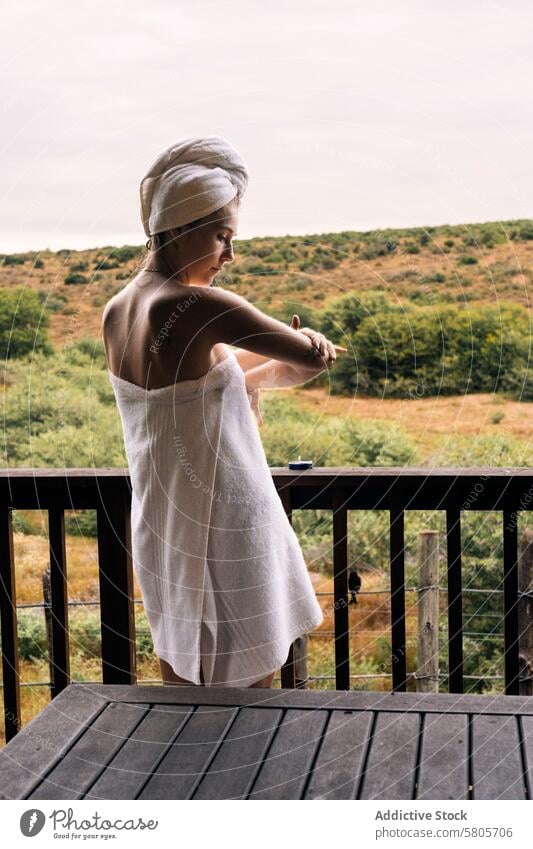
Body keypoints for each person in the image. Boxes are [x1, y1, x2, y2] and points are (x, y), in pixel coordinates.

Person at [102, 136, 344, 689]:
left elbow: (195, 389)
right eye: (223, 236)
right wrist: (312, 338)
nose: (230, 255)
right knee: (252, 704)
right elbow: (305, 355)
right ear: (182, 228)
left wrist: (254, 371)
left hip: (164, 524)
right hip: (227, 524)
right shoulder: (199, 306)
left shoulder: (119, 310)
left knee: (185, 688)